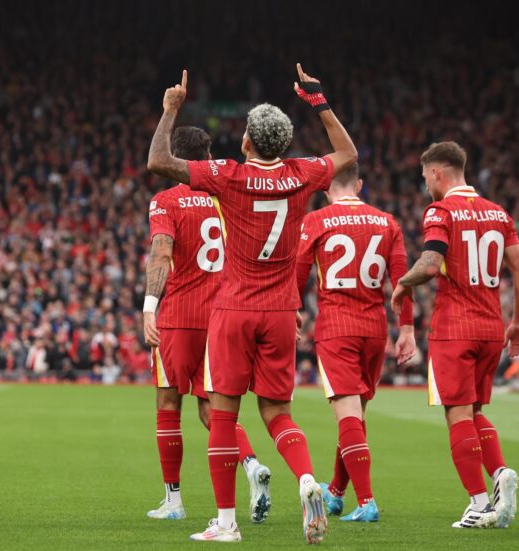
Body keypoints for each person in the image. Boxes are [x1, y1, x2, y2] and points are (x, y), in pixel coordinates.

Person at [147, 64, 357, 544]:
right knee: (279, 414)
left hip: (235, 308)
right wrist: (319, 102)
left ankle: (225, 523)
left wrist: (170, 110)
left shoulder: (229, 176)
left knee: (221, 415)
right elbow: (348, 153)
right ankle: (307, 480)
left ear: (247, 142)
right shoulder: (303, 174)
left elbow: (160, 160)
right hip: (283, 311)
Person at [390, 141, 519, 529]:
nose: (425, 186)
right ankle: (500, 473)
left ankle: (478, 503)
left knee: (457, 414)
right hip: (491, 327)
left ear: (437, 172)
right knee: (475, 413)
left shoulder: (441, 210)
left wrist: (402, 283)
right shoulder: (499, 213)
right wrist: (517, 321)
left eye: (425, 177)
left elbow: (432, 263)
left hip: (455, 327)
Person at [143, 125, 271, 523]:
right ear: (207, 154)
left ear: (176, 159)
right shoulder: (227, 199)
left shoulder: (166, 200)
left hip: (179, 317)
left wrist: (150, 306)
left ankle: (174, 501)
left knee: (168, 404)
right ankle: (251, 466)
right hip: (222, 316)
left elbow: (162, 254)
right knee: (215, 410)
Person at [296, 163, 416, 522]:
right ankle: (336, 492)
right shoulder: (387, 222)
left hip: (336, 326)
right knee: (357, 415)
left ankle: (366, 502)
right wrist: (406, 328)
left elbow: (297, 273)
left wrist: (293, 310)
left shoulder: (315, 221)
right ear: (360, 184)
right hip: (375, 329)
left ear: (323, 187)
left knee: (348, 416)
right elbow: (403, 280)